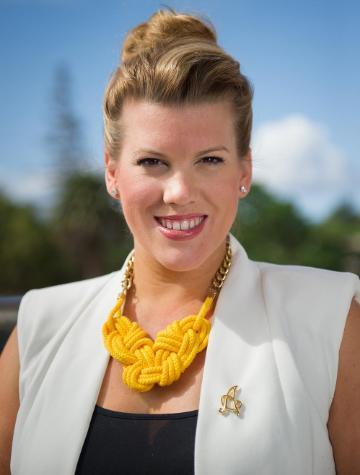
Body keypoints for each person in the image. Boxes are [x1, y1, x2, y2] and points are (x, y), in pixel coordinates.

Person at [0, 8, 359, 475]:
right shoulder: (38, 327)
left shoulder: (330, 323)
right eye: (152, 162)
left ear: (244, 171)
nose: (180, 192)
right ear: (112, 173)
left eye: (209, 159)